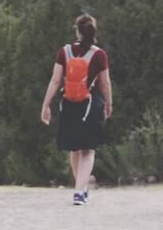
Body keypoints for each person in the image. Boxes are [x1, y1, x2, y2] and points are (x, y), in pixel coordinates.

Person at [39, 14, 112, 205]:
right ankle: (80, 191)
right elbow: (104, 83)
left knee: (74, 149)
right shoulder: (99, 54)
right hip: (90, 103)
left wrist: (45, 104)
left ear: (77, 31)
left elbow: (56, 80)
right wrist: (109, 103)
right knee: (88, 150)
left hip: (69, 103)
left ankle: (80, 188)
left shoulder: (64, 52)